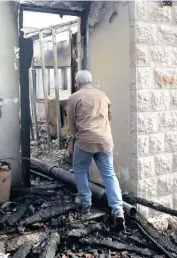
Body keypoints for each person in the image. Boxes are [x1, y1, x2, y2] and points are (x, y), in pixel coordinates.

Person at [66, 70, 125, 231]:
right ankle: (118, 209)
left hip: (85, 141)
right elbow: (109, 118)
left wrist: (71, 142)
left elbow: (71, 124)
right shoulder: (103, 96)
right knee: (109, 174)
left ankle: (85, 203)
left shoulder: (73, 98)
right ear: (90, 81)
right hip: (105, 140)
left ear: (77, 83)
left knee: (79, 170)